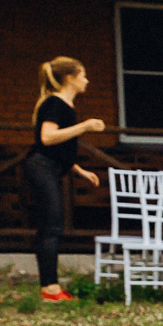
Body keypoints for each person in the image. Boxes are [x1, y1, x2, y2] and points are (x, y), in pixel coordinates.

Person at [27, 57, 103, 302]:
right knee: (51, 226)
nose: (86, 80)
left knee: (51, 226)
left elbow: (60, 147)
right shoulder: (55, 103)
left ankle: (49, 287)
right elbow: (47, 138)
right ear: (70, 79)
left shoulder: (65, 106)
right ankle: (50, 289)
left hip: (50, 167)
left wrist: (79, 170)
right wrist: (85, 126)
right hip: (41, 168)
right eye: (83, 76)